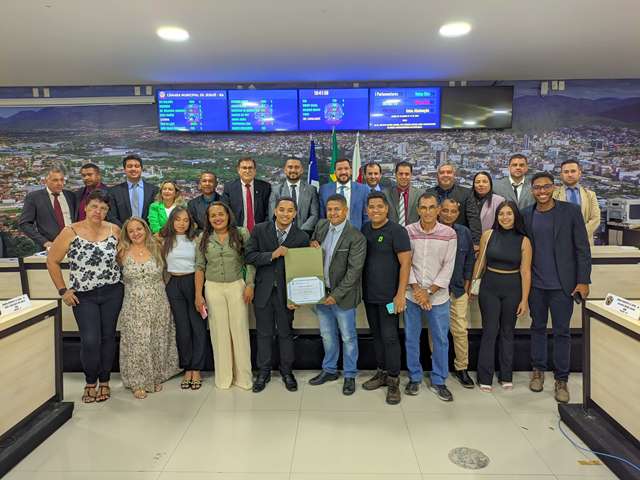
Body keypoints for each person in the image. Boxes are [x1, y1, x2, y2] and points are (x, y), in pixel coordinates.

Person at [46, 189, 122, 403]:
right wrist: (63, 290)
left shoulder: (115, 230)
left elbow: (124, 258)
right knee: (90, 340)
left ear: (108, 211)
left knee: (108, 338)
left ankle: (105, 381)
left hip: (112, 292)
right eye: (94, 206)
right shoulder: (70, 231)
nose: (98, 211)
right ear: (86, 208)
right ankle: (90, 381)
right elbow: (52, 260)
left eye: (103, 208)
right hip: (83, 296)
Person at [522, 172, 591, 403]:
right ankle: (538, 371)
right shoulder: (526, 215)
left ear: (553, 188)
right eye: (537, 188)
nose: (542, 192)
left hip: (564, 286)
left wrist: (583, 280)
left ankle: (562, 379)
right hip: (536, 287)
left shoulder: (569, 212)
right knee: (538, 328)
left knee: (562, 332)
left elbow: (582, 248)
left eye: (546, 187)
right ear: (532, 190)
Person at [245, 196, 310, 393]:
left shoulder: (301, 237)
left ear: (295, 214)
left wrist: (297, 297)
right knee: (264, 334)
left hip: (287, 295)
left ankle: (286, 372)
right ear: (275, 211)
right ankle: (263, 372)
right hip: (263, 291)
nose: (285, 214)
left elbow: (302, 270)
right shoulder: (259, 230)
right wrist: (272, 255)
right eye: (281, 210)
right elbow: (249, 256)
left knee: (285, 333)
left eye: (290, 211)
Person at [309, 194, 366, 395]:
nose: (333, 213)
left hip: (343, 297)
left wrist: (337, 294)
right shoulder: (322, 227)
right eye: (330, 209)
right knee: (327, 335)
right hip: (321, 294)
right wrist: (312, 245)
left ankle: (350, 374)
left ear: (346, 210)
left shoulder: (356, 236)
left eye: (337, 209)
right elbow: (313, 252)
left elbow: (354, 272)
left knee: (348, 337)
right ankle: (330, 369)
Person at [116, 217, 180, 399]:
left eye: (139, 229)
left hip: (158, 300)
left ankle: (155, 375)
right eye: (131, 231)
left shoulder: (157, 248)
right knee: (138, 341)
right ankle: (138, 381)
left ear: (146, 229)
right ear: (126, 234)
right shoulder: (121, 252)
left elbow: (166, 273)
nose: (136, 233)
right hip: (134, 303)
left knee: (157, 338)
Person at [472, 201, 532, 392]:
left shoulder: (524, 241)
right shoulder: (488, 235)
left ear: (515, 216)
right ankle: (485, 376)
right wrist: (473, 284)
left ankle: (506, 375)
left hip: (513, 289)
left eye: (509, 214)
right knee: (489, 331)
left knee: (507, 332)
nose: (504, 217)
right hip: (489, 288)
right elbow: (480, 263)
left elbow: (526, 271)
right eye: (501, 214)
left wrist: (524, 299)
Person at [195, 202, 255, 390]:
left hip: (237, 286)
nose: (217, 218)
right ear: (208, 219)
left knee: (239, 331)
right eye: (213, 216)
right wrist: (198, 295)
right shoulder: (203, 238)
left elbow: (251, 261)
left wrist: (250, 284)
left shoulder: (242, 233)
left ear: (228, 215)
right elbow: (199, 267)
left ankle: (243, 378)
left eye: (221, 214)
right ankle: (224, 378)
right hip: (212, 288)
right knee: (219, 333)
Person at [404, 194, 457, 401]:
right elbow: (405, 262)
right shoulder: (409, 231)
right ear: (418, 210)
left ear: (438, 210)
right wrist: (417, 289)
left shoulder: (449, 234)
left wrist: (429, 292)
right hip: (412, 294)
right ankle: (415, 377)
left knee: (441, 339)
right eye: (423, 207)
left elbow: (448, 266)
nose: (427, 211)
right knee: (411, 338)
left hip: (438, 297)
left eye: (431, 207)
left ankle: (439, 380)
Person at [360, 192, 411, 405]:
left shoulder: (397, 231)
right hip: (370, 296)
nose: (375, 210)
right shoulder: (365, 229)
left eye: (379, 206)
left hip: (390, 297)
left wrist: (400, 295)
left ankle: (393, 380)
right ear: (366, 210)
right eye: (371, 207)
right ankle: (381, 372)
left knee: (390, 337)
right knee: (377, 336)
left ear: (387, 208)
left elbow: (406, 264)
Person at [159, 207, 206, 390]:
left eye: (186, 220)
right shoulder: (163, 239)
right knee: (182, 329)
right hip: (173, 284)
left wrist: (198, 293)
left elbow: (200, 265)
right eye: (178, 219)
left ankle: (197, 368)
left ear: (191, 222)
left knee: (198, 327)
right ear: (172, 221)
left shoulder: (197, 238)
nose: (182, 223)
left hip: (193, 282)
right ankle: (187, 367)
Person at [436, 198, 475, 388]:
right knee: (437, 331)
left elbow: (469, 261)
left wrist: (467, 287)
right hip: (436, 291)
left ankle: (462, 368)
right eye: (445, 211)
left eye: (453, 211)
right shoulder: (432, 231)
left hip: (458, 290)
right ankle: (438, 366)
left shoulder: (464, 233)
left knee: (460, 330)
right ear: (438, 211)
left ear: (457, 214)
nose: (448, 214)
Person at [19, 166, 77, 250]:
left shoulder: (71, 196)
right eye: (55, 180)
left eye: (62, 180)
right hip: (49, 247)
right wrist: (44, 242)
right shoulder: (34, 197)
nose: (59, 183)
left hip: (73, 245)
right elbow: (25, 224)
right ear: (46, 181)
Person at [425, 163, 482, 247]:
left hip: (459, 241)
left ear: (454, 175)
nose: (445, 175)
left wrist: (476, 243)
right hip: (433, 240)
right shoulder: (429, 193)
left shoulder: (466, 194)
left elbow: (473, 218)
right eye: (442, 172)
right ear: (437, 176)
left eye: (449, 172)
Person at [553, 160, 601, 245]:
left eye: (573, 171)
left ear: (579, 173)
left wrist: (579, 234)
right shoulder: (553, 195)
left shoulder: (590, 195)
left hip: (584, 242)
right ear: (561, 175)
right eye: (566, 172)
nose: (570, 174)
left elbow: (595, 218)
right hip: (560, 242)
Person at [268, 157, 320, 237]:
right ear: (285, 170)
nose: (293, 170)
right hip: (281, 236)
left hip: (305, 235)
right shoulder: (275, 190)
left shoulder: (311, 190)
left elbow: (314, 215)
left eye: (297, 167)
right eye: (290, 167)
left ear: (302, 170)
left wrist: (301, 233)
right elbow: (273, 215)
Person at [222, 157, 271, 233]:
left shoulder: (265, 187)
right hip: (237, 232)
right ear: (238, 170)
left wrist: (264, 229)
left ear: (255, 170)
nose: (247, 171)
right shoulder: (229, 188)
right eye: (244, 168)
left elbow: (269, 212)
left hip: (260, 232)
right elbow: (225, 211)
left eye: (250, 168)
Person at [108, 154, 158, 226]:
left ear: (141, 169)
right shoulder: (114, 192)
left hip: (149, 234)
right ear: (124, 169)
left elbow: (156, 215)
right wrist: (125, 231)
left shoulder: (154, 190)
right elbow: (112, 216)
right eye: (129, 166)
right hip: (122, 234)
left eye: (137, 166)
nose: (133, 169)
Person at [319, 158, 369, 230]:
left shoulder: (363, 190)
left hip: (356, 235)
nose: (343, 172)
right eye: (339, 169)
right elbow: (322, 216)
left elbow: (367, 217)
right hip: (331, 234)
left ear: (351, 171)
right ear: (335, 172)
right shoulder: (324, 189)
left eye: (346, 168)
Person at [384, 161, 423, 227]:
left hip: (414, 234)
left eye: (407, 174)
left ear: (411, 175)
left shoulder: (420, 194)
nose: (404, 177)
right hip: (392, 234)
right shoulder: (385, 194)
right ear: (396, 175)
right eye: (401, 174)